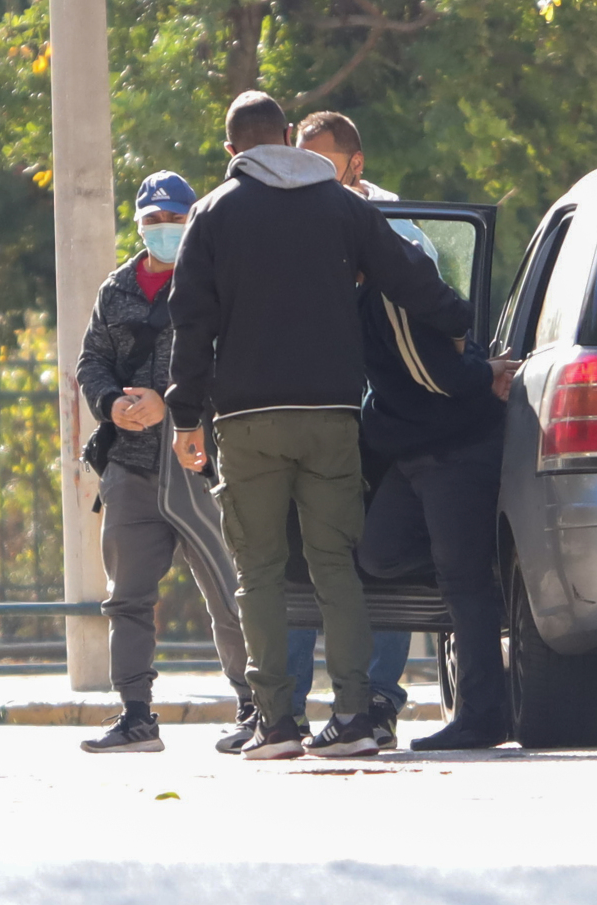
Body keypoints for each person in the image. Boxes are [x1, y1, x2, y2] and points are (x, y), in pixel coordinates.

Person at [165, 91, 475, 760]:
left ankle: (276, 721)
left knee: (260, 569)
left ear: (231, 151)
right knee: (338, 565)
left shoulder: (211, 214)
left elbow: (191, 323)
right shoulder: (345, 206)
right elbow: (408, 275)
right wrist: (461, 324)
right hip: (332, 415)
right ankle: (356, 714)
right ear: (286, 136)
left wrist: (186, 415)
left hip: (245, 421)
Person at [287, 111, 517, 750]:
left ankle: (482, 717)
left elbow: (431, 367)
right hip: (413, 448)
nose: (311, 178)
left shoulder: (388, 246)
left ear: (354, 166)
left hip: (455, 441)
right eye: (301, 164)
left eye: (322, 163)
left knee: (461, 579)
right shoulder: (329, 243)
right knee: (380, 555)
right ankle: (479, 559)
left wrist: (481, 375)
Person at [76, 171, 254, 754]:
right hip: (130, 466)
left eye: (174, 220)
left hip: (200, 461)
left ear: (192, 219)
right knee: (126, 597)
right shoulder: (117, 289)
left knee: (230, 590)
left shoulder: (217, 280)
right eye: (153, 221)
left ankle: (255, 706)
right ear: (139, 225)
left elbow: (235, 363)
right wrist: (112, 405)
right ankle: (135, 715)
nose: (164, 230)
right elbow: (92, 362)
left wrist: (171, 404)